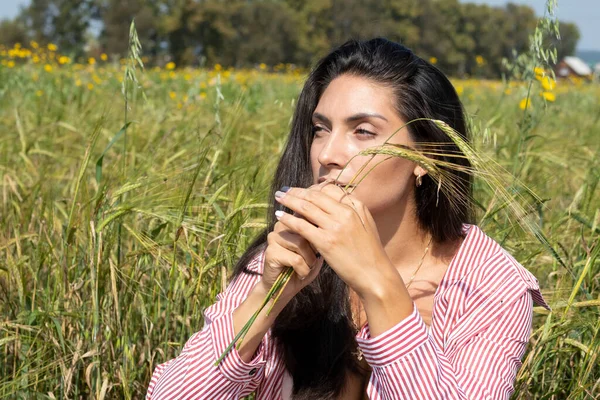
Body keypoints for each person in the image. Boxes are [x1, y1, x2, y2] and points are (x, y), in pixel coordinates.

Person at [145, 37, 549, 400]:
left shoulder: (489, 286)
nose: (327, 155)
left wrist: (379, 285)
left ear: (425, 157)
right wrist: (266, 299)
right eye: (320, 129)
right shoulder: (290, 251)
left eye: (363, 132)